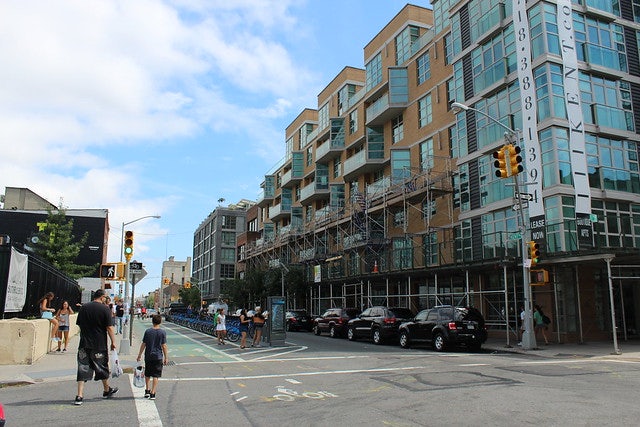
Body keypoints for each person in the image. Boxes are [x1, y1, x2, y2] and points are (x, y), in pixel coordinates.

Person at [74, 289, 119, 406]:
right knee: (101, 366)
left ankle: (80, 395)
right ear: (103, 297)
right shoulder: (105, 309)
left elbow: (79, 324)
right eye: (106, 298)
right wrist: (113, 342)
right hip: (99, 344)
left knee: (82, 367)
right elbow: (109, 327)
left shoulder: (84, 308)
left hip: (84, 343)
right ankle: (106, 390)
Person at [136, 314, 169, 400]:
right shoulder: (162, 332)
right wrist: (166, 357)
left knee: (147, 373)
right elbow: (164, 345)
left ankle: (147, 390)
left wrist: (139, 355)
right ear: (160, 322)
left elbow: (144, 344)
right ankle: (153, 393)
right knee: (156, 375)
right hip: (158, 356)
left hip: (148, 356)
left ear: (152, 321)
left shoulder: (148, 331)